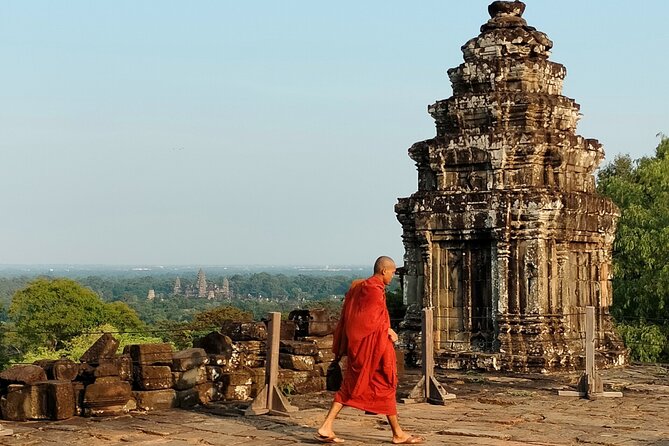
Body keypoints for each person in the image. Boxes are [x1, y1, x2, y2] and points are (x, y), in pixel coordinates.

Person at [315, 256, 425, 444]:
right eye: (391, 272)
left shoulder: (363, 287)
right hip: (371, 350)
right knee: (383, 385)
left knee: (358, 387)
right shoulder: (373, 291)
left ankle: (327, 426)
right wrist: (387, 330)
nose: (392, 276)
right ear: (383, 271)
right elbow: (365, 322)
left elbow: (365, 314)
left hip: (367, 349)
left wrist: (383, 328)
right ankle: (397, 434)